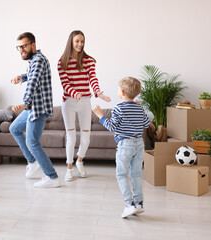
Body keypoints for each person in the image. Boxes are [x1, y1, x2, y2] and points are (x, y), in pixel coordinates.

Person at [92, 77, 150, 218]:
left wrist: (101, 115)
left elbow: (112, 126)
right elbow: (147, 124)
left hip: (125, 145)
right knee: (136, 174)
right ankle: (139, 203)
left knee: (121, 174)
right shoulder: (139, 107)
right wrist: (139, 108)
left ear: (122, 92)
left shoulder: (118, 108)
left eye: (118, 89)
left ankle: (129, 205)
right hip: (139, 144)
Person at [58, 30, 111, 182]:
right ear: (71, 42)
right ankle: (69, 167)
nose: (80, 44)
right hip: (68, 102)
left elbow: (93, 78)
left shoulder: (88, 60)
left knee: (86, 138)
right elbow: (65, 83)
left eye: (82, 41)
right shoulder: (62, 62)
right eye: (77, 41)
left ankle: (79, 161)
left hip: (85, 102)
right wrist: (75, 93)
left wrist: (98, 92)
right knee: (71, 137)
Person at [10, 32, 60, 188]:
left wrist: (25, 103)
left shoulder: (38, 60)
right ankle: (32, 162)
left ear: (33, 45)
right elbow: (31, 76)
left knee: (32, 143)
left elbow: (33, 83)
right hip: (33, 106)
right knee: (15, 128)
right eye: (19, 47)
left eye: (24, 46)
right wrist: (21, 77)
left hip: (37, 108)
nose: (21, 50)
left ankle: (52, 178)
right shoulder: (34, 60)